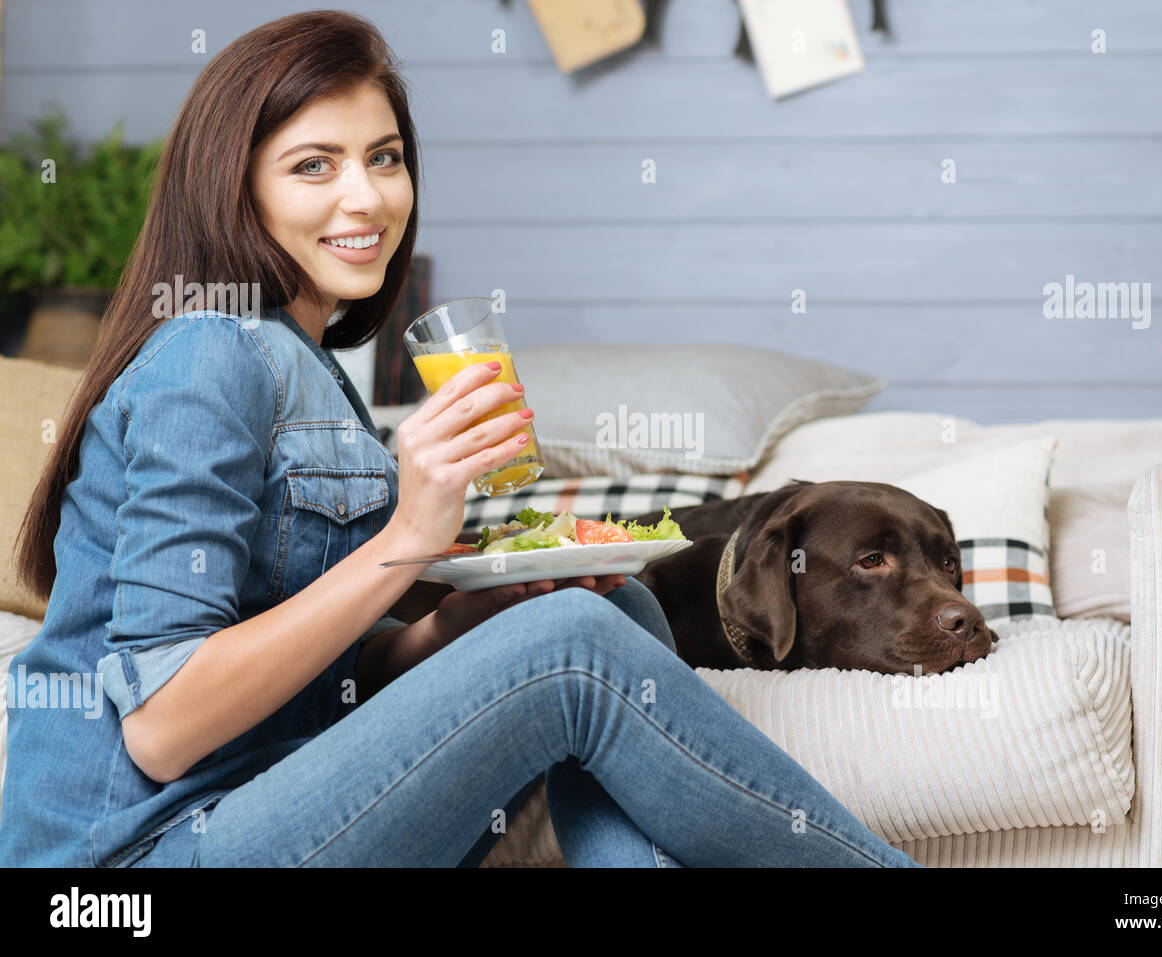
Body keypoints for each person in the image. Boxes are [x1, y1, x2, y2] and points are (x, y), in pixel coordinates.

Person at [0, 10, 919, 869]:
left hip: (264, 805)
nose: (365, 198)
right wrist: (405, 543)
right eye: (314, 165)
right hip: (132, 864)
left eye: (385, 157)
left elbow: (331, 682)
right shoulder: (209, 352)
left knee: (607, 613)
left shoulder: (308, 368)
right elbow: (162, 727)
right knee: (570, 641)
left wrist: (466, 619)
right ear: (232, 187)